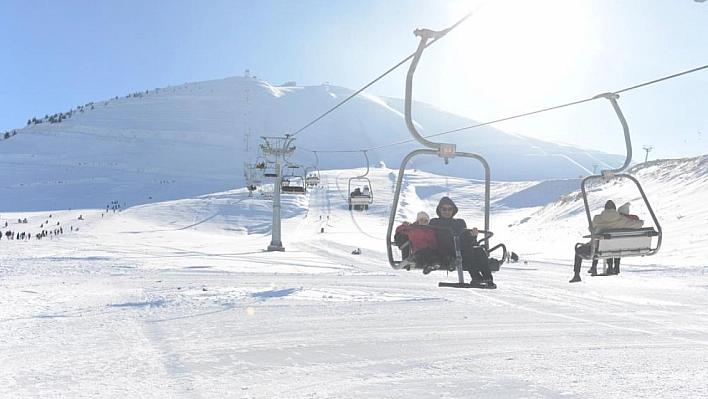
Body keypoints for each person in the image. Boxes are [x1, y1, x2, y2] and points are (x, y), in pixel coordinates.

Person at [570, 200, 644, 283]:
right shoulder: (621, 219)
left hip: (597, 249)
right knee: (611, 244)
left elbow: (591, 230)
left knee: (578, 250)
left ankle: (577, 275)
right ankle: (611, 267)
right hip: (616, 248)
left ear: (605, 209)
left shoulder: (597, 218)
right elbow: (639, 224)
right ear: (615, 209)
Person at [429, 197, 496, 288]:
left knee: (479, 251)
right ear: (439, 210)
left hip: (462, 250)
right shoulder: (434, 222)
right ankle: (476, 276)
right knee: (466, 250)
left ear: (453, 210)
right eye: (444, 209)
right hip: (444, 252)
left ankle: (488, 279)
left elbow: (468, 240)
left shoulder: (459, 222)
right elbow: (423, 232)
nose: (447, 212)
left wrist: (473, 236)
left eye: (450, 209)